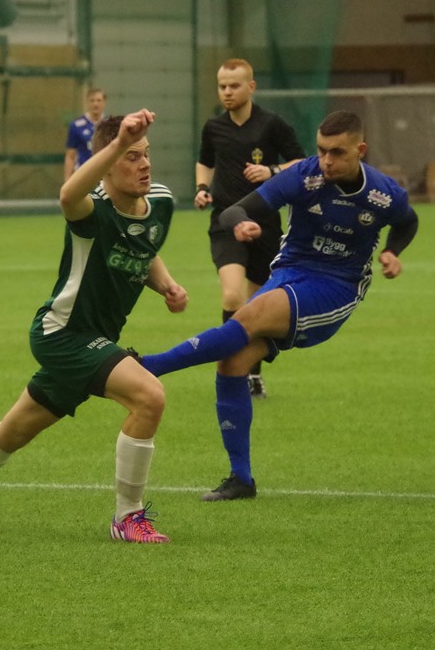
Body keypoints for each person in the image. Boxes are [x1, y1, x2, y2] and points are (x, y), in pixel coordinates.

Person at [0, 110, 189, 543]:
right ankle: (127, 518)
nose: (144, 165)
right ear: (108, 163)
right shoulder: (92, 210)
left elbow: (143, 248)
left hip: (95, 341)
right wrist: (114, 145)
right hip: (62, 334)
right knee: (149, 396)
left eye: (146, 155)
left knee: (12, 431)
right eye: (131, 157)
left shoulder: (161, 203)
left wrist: (166, 285)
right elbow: (67, 194)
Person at [142, 111, 418, 502]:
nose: (326, 161)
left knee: (249, 314)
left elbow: (407, 221)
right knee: (233, 363)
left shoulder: (384, 193)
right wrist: (239, 224)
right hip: (289, 274)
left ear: (360, 150)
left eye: (337, 153)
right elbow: (237, 208)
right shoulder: (304, 176)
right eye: (322, 151)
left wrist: (392, 250)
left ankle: (149, 367)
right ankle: (241, 479)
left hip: (336, 287)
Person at [195, 59, 305, 399]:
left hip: (265, 223)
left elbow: (301, 162)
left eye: (234, 86)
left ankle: (252, 374)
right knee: (232, 295)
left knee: (258, 306)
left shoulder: (272, 124)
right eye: (222, 86)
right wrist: (201, 188)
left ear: (251, 87)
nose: (227, 92)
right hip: (225, 221)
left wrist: (272, 171)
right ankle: (231, 370)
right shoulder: (214, 127)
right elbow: (205, 161)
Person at [63, 87, 106, 182]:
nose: (95, 104)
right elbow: (70, 156)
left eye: (99, 100)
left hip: (105, 176)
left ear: (104, 102)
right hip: (83, 175)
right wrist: (67, 181)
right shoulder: (76, 126)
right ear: (87, 103)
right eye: (92, 100)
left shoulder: (109, 125)